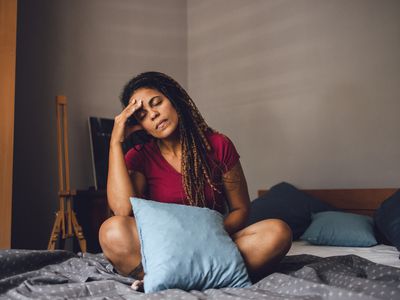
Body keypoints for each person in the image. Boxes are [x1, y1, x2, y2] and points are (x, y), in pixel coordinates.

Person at [99, 71, 292, 284]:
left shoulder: (218, 145)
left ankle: (174, 279)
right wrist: (115, 142)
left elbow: (240, 209)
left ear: (174, 100)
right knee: (111, 231)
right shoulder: (139, 156)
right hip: (163, 249)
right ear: (139, 125)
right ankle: (184, 276)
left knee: (278, 232)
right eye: (142, 115)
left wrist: (204, 237)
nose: (153, 114)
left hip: (214, 243)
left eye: (157, 103)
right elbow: (122, 210)